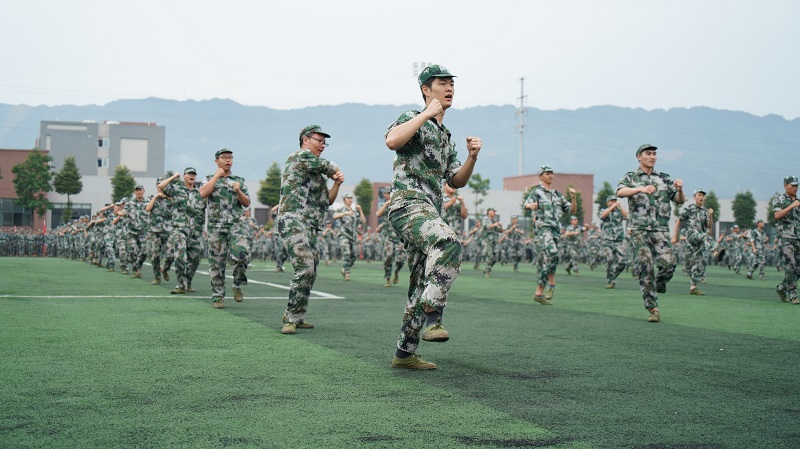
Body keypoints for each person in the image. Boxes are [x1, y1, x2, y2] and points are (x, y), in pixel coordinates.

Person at [384, 64, 482, 370]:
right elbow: (392, 141)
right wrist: (426, 114)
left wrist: (472, 158)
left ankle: (404, 354)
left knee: (420, 281)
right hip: (408, 204)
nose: (450, 87)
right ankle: (433, 313)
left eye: (452, 83)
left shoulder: (445, 137)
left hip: (429, 209)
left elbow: (455, 180)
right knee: (448, 242)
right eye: (442, 83)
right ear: (426, 89)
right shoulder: (412, 117)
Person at [278, 125, 344, 334]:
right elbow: (329, 165)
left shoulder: (315, 171)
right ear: (306, 139)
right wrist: (335, 171)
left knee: (312, 270)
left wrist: (337, 184)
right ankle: (290, 318)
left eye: (325, 143)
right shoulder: (299, 157)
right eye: (319, 141)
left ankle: (297, 315)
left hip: (311, 224)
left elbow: (327, 201)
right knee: (305, 265)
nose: (322, 145)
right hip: (293, 220)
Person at [616, 144, 685, 322]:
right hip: (639, 230)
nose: (652, 157)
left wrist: (679, 190)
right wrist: (640, 189)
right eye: (648, 154)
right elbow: (620, 192)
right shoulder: (631, 177)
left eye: (654, 154)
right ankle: (653, 308)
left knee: (670, 265)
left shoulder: (664, 178)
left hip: (660, 230)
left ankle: (659, 284)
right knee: (645, 268)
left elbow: (679, 201)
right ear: (639, 157)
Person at [199, 148, 251, 309]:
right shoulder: (209, 178)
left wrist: (239, 191)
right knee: (217, 263)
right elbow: (202, 193)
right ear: (217, 161)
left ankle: (237, 283)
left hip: (235, 226)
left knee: (242, 254)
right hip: (216, 227)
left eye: (230, 157)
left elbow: (246, 203)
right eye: (224, 157)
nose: (228, 160)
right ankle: (218, 296)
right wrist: (216, 176)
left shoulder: (238, 180)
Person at [523, 165, 577, 305]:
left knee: (550, 259)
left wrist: (573, 198)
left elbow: (572, 211)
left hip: (556, 230)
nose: (550, 175)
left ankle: (545, 289)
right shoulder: (537, 192)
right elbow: (526, 204)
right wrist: (531, 206)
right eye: (547, 173)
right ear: (541, 176)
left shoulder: (557, 194)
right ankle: (544, 288)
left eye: (552, 173)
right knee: (552, 254)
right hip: (543, 229)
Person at [158, 167, 204, 294]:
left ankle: (187, 283)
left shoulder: (200, 192)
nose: (192, 176)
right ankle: (181, 285)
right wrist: (174, 177)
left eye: (194, 174)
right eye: (189, 174)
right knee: (180, 256)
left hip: (195, 230)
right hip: (180, 228)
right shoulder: (177, 189)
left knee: (195, 258)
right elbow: (161, 186)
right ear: (184, 176)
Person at [672, 188, 713, 295]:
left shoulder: (705, 211)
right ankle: (715, 250)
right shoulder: (689, 208)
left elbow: (708, 226)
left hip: (700, 238)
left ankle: (693, 287)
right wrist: (674, 235)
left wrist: (710, 215)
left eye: (703, 195)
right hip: (691, 236)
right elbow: (679, 220)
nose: (701, 197)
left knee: (699, 261)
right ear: (695, 197)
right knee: (705, 237)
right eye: (699, 195)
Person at [772, 175, 800, 304]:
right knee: (790, 266)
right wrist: (792, 206)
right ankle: (793, 295)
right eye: (792, 185)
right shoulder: (779, 199)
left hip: (798, 238)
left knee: (798, 270)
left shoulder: (798, 201)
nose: (795, 188)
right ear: (785, 185)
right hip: (786, 238)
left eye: (796, 185)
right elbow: (777, 215)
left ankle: (782, 288)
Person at [376, 188, 406, 287]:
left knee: (401, 259)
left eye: (391, 193)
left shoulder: (399, 204)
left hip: (399, 236)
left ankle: (397, 271)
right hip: (388, 236)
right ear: (385, 195)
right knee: (388, 256)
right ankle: (388, 278)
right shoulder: (385, 205)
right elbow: (378, 214)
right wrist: (386, 204)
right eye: (388, 193)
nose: (390, 194)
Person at [332, 193, 365, 281]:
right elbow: (334, 216)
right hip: (344, 235)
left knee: (355, 255)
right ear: (344, 200)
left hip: (353, 236)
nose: (350, 200)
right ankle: (347, 273)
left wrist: (360, 210)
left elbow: (363, 221)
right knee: (346, 253)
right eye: (348, 198)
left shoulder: (354, 212)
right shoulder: (341, 209)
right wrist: (345, 213)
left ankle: (344, 268)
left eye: (351, 198)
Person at [599, 195, 628, 288]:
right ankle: (610, 279)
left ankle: (613, 276)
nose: (614, 202)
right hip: (608, 240)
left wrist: (620, 206)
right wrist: (611, 207)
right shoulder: (604, 210)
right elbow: (602, 216)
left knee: (623, 261)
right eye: (611, 201)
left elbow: (627, 216)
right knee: (609, 259)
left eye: (615, 200)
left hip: (619, 240)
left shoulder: (619, 212)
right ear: (607, 203)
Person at [481, 207, 503, 278]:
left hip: (494, 241)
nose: (494, 212)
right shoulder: (485, 219)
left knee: (495, 258)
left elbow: (500, 231)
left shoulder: (495, 220)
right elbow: (486, 226)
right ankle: (487, 271)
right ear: (488, 212)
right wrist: (495, 224)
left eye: (494, 211)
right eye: (493, 211)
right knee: (489, 255)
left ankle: (486, 269)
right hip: (487, 241)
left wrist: (500, 226)